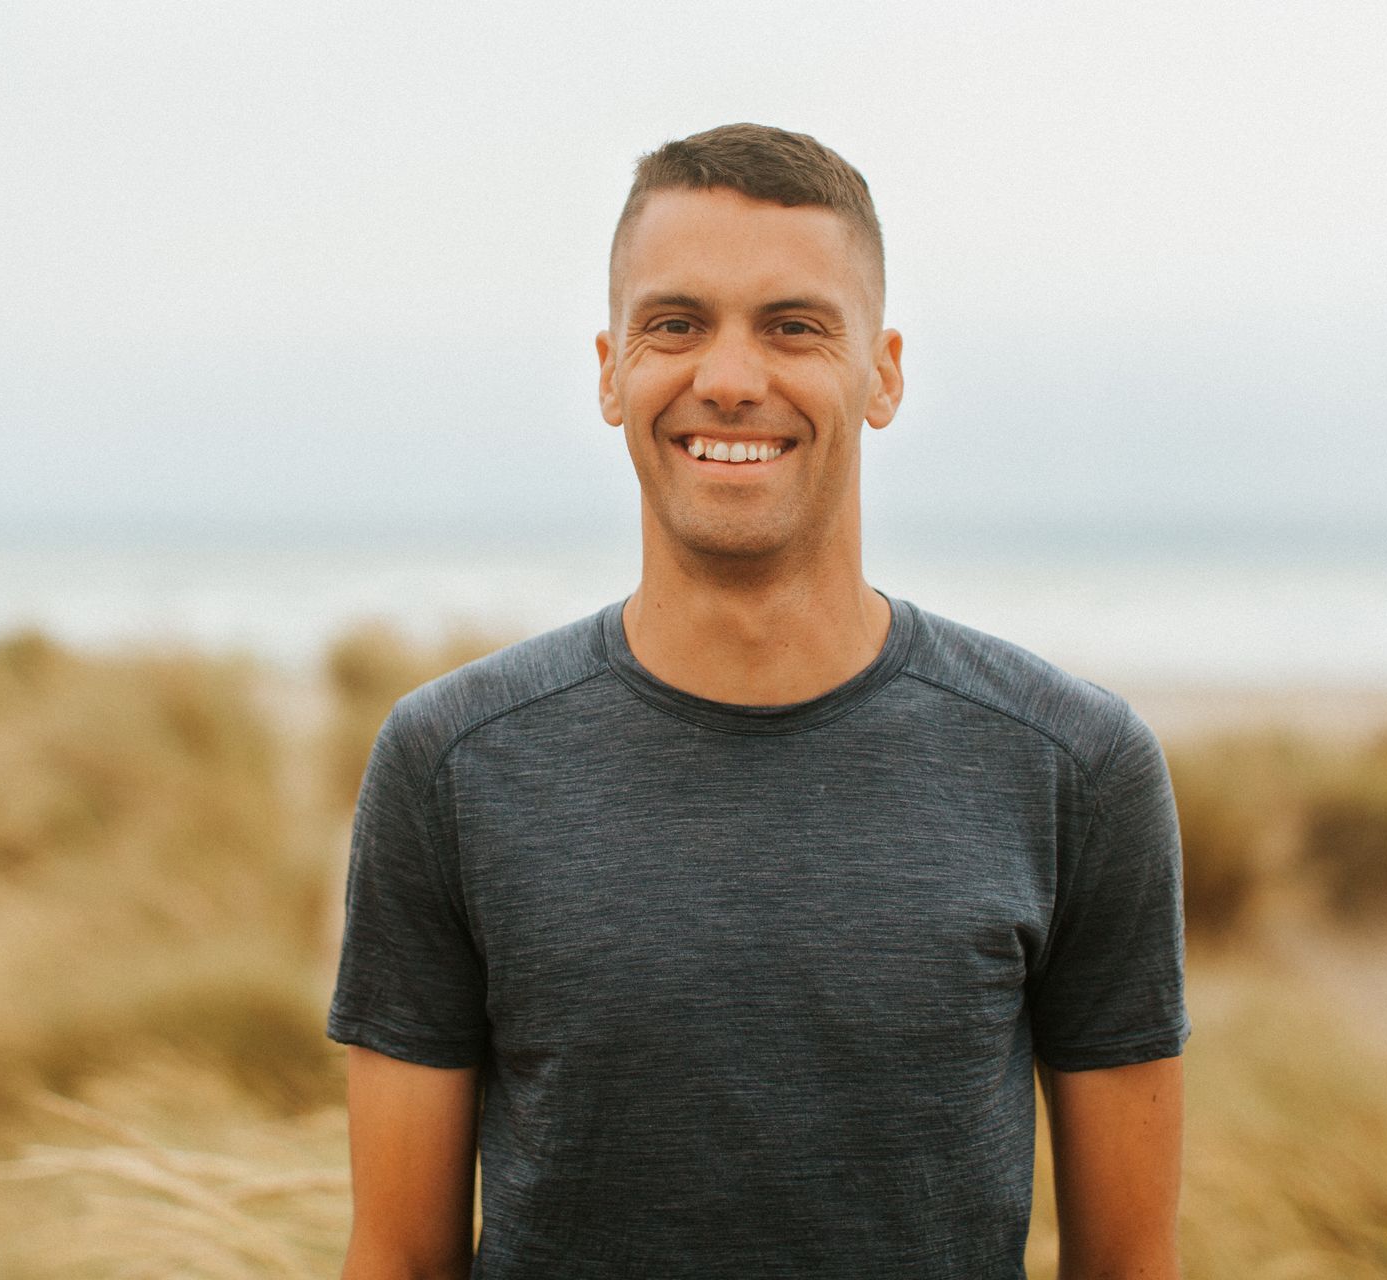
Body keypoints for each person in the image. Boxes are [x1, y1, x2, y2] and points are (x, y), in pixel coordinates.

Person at [327, 122, 1190, 1279]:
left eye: (794, 326)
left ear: (882, 372)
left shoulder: (1073, 767)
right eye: (676, 324)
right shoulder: (450, 763)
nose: (729, 381)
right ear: (610, 369)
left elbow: (1131, 1265)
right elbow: (397, 1258)